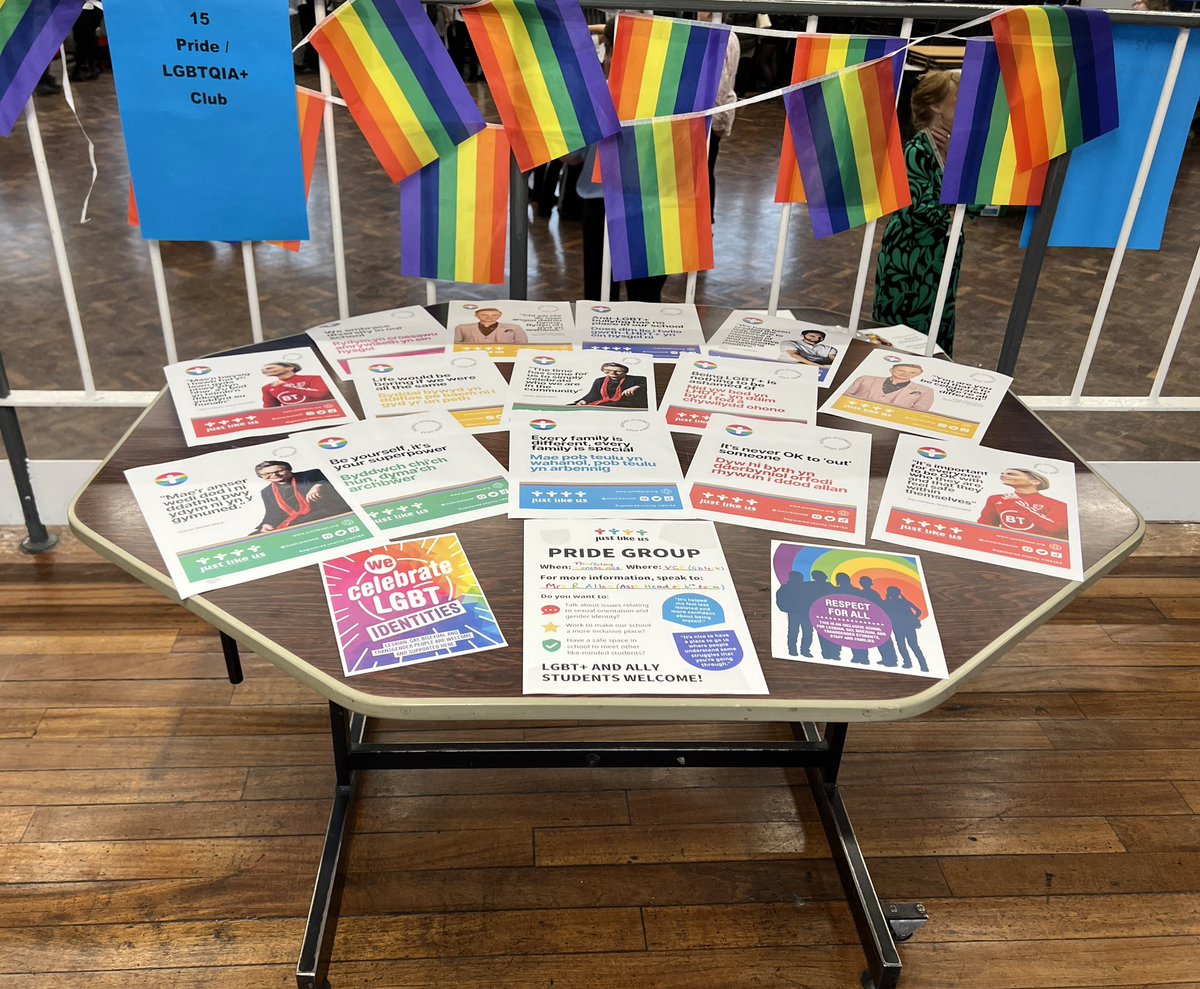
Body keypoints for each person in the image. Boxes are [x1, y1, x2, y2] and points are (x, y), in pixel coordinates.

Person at [873, 70, 963, 356]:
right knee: (904, 336)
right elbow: (919, 211)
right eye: (957, 99)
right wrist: (954, 196)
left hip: (941, 252)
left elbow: (972, 205)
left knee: (937, 326)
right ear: (937, 106)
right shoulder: (915, 150)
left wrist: (955, 163)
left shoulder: (953, 149)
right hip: (911, 257)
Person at [252, 462, 350, 533]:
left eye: (280, 470)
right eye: (267, 474)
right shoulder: (266, 491)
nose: (274, 475)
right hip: (294, 518)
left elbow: (338, 479)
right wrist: (266, 524)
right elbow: (272, 513)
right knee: (256, 535)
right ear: (261, 476)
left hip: (325, 510)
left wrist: (319, 485)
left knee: (293, 527)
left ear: (289, 469)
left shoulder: (311, 474)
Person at [977, 468, 1070, 538]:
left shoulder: (1057, 504)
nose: (1003, 475)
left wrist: (1019, 505)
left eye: (1011, 474)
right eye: (1002, 473)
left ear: (1035, 481)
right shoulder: (996, 499)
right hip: (1008, 546)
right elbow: (985, 525)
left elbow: (1056, 528)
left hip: (1041, 550)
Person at [843, 363, 934, 411]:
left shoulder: (926, 391)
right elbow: (844, 395)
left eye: (912, 373)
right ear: (891, 370)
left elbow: (919, 412)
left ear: (918, 374)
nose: (905, 374)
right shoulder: (865, 379)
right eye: (901, 370)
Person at [881, 586, 927, 673]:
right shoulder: (903, 602)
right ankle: (922, 665)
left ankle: (909, 663)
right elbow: (919, 611)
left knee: (903, 645)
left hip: (899, 627)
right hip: (907, 626)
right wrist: (913, 619)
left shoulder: (887, 602)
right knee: (913, 646)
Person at [775, 569, 818, 657]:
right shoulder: (802, 586)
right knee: (800, 632)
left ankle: (797, 651)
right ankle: (799, 651)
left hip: (800, 612)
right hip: (798, 612)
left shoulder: (787, 587)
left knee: (798, 632)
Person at [572, 362, 648, 408]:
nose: (612, 374)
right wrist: (584, 400)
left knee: (604, 406)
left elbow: (649, 384)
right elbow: (592, 395)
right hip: (605, 403)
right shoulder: (599, 381)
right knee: (573, 405)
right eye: (608, 371)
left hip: (627, 404)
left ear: (625, 372)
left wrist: (638, 386)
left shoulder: (636, 379)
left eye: (617, 371)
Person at [260, 362, 333, 408]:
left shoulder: (313, 378)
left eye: (270, 368)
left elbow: (321, 394)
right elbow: (270, 409)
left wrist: (286, 386)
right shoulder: (267, 388)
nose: (265, 370)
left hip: (323, 411)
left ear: (289, 368)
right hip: (296, 418)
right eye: (263, 369)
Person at [453, 308, 528, 345]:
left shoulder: (515, 327)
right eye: (484, 315)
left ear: (500, 315)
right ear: (476, 315)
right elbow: (455, 344)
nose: (489, 317)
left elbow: (523, 344)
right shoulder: (462, 327)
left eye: (494, 315)